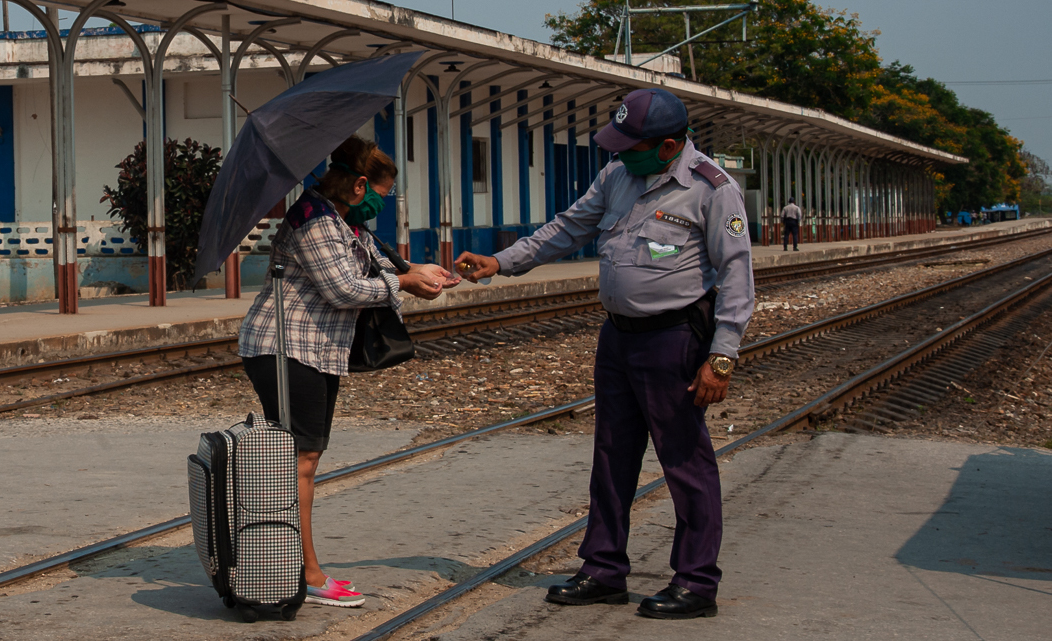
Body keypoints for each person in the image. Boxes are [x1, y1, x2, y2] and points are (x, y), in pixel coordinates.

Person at [455, 88, 754, 620]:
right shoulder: (617, 176)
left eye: (630, 146)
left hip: (675, 340)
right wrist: (500, 262)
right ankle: (603, 569)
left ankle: (695, 580)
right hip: (618, 338)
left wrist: (722, 356)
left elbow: (736, 276)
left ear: (667, 146)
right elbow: (568, 228)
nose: (618, 155)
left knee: (685, 461)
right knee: (612, 456)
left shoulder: (712, 189)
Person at [238, 136, 457, 607]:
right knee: (300, 462)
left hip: (312, 350)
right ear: (360, 185)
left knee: (302, 459)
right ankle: (305, 573)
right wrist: (402, 282)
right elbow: (343, 289)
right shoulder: (314, 219)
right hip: (285, 347)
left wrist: (420, 271)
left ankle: (288, 563)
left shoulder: (340, 220)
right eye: (381, 192)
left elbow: (376, 266)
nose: (382, 202)